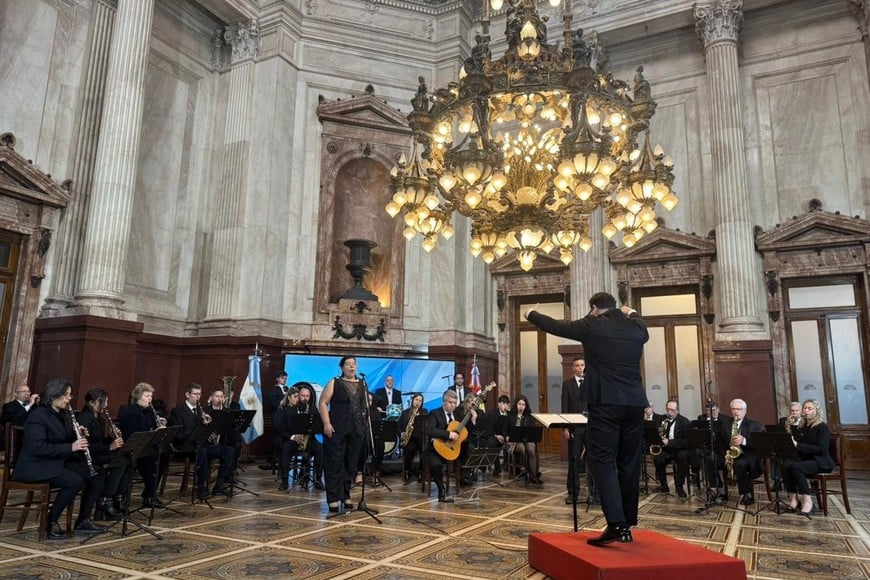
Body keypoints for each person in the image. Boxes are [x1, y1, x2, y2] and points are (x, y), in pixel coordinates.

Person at [525, 291, 648, 546]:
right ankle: (627, 521)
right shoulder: (635, 326)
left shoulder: (591, 324)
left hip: (605, 402)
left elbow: (556, 326)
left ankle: (616, 524)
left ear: (594, 308)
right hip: (635, 402)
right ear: (615, 307)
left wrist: (530, 314)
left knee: (602, 460)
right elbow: (643, 330)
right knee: (629, 462)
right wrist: (631, 312)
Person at [14, 378, 106, 539]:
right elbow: (38, 448)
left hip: (55, 461)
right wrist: (71, 447)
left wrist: (79, 433)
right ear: (53, 395)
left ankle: (83, 521)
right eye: (66, 395)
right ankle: (50, 523)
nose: (69, 399)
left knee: (96, 473)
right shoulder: (37, 416)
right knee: (74, 481)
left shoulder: (62, 414)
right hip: (35, 466)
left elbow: (63, 437)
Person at [168, 383, 235, 499]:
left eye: (199, 394)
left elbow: (205, 432)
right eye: (195, 394)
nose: (198, 397)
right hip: (185, 446)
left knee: (228, 450)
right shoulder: (178, 411)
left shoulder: (201, 411)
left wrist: (207, 426)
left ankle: (219, 485)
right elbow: (177, 434)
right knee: (202, 451)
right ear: (187, 394)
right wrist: (197, 430)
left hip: (200, 444)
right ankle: (200, 486)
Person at [319, 355, 367, 512]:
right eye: (348, 364)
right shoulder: (335, 382)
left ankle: (345, 495)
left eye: (354, 364)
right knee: (334, 463)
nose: (352, 367)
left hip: (356, 429)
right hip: (336, 428)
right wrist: (326, 423)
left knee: (350, 464)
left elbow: (364, 406)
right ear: (342, 367)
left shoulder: (362, 384)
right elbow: (323, 402)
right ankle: (333, 498)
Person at [78, 388, 127, 520]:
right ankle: (106, 498)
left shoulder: (99, 418)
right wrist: (110, 447)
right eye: (103, 402)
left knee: (126, 458)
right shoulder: (84, 418)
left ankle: (114, 497)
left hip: (97, 453)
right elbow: (87, 446)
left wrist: (111, 438)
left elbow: (99, 441)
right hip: (87, 457)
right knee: (121, 461)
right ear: (92, 403)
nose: (106, 405)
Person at [117, 382, 168, 508]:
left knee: (164, 456)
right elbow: (134, 433)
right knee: (153, 460)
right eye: (146, 396)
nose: (150, 399)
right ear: (137, 396)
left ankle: (150, 493)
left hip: (146, 447)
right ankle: (148, 495)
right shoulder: (129, 411)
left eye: (151, 396)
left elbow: (151, 427)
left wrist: (160, 425)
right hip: (133, 449)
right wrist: (153, 433)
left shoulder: (149, 411)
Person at [783, 399, 833, 518]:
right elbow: (797, 442)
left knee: (796, 467)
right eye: (805, 408)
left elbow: (822, 450)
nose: (806, 411)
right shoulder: (804, 426)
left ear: (817, 411)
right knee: (786, 465)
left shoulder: (822, 427)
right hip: (807, 460)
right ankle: (793, 499)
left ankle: (808, 501)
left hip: (821, 461)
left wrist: (798, 445)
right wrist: (792, 429)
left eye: (810, 408)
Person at [722, 398, 765, 505]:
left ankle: (747, 494)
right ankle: (720, 491)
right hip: (730, 453)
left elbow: (760, 444)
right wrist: (725, 453)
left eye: (739, 409)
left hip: (748, 454)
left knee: (739, 464)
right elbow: (722, 441)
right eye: (733, 409)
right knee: (710, 459)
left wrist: (744, 440)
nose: (736, 412)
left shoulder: (755, 425)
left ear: (745, 411)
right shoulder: (726, 423)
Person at [425, 390, 460, 502]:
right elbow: (430, 431)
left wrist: (473, 420)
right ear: (444, 402)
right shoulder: (435, 413)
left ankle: (465, 480)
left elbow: (464, 432)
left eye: (455, 402)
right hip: (435, 449)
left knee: (469, 450)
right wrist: (449, 434)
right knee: (435, 464)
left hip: (452, 448)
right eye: (450, 402)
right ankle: (441, 489)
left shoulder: (458, 414)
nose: (453, 405)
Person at [652, 398, 692, 497]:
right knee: (658, 458)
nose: (669, 412)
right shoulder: (661, 419)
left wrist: (669, 442)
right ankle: (664, 486)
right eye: (668, 409)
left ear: (677, 411)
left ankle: (679, 486)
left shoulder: (684, 422)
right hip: (667, 449)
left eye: (672, 410)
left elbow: (686, 442)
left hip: (679, 449)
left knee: (682, 458)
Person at [562, 357, 587, 503]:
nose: (580, 368)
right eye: (577, 366)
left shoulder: (590, 383)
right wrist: (565, 427)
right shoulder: (567, 385)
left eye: (582, 365)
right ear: (573, 368)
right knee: (574, 461)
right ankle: (572, 493)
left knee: (595, 461)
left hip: (591, 428)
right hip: (575, 429)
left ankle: (595, 493)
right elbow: (565, 407)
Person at [507, 394, 541, 484]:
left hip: (526, 440)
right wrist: (507, 436)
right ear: (516, 404)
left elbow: (532, 431)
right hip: (514, 442)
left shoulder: (529, 416)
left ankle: (533, 475)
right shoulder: (510, 415)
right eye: (519, 404)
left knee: (531, 446)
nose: (521, 406)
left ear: (526, 406)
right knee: (522, 448)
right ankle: (526, 473)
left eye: (523, 405)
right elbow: (505, 430)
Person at [295, 383, 324, 488]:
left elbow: (318, 426)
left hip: (309, 438)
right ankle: (302, 474)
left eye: (307, 396)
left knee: (320, 449)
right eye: (303, 396)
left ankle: (318, 478)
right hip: (295, 439)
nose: (305, 398)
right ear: (298, 396)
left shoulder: (312, 408)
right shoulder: (293, 407)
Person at [273, 387, 302, 490]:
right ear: (289, 397)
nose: (297, 399)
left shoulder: (301, 407)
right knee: (286, 448)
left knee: (319, 448)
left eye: (298, 396)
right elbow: (279, 428)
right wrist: (292, 437)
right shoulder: (283, 409)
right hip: (289, 439)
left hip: (303, 438)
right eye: (295, 397)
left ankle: (315, 478)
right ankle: (285, 480)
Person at [398, 393, 428, 482]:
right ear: (412, 401)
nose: (418, 402)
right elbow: (398, 426)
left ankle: (421, 472)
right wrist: (401, 433)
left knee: (425, 451)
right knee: (409, 450)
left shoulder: (424, 412)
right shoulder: (405, 413)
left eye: (420, 401)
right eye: (416, 400)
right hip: (409, 438)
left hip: (421, 438)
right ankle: (407, 471)